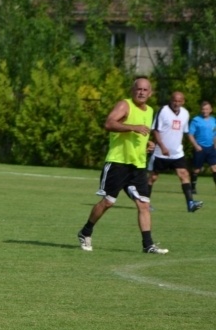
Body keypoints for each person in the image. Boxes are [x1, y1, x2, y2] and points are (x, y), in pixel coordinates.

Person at [77, 78, 169, 254]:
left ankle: (148, 245)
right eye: (138, 89)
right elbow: (109, 123)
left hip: (138, 164)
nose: (141, 92)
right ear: (132, 90)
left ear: (150, 93)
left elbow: (139, 134)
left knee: (144, 204)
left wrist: (148, 143)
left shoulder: (150, 111)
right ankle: (85, 231)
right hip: (118, 163)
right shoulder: (124, 105)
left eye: (145, 90)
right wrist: (133, 127)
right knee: (108, 202)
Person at [147, 91, 203, 212]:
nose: (176, 103)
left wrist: (193, 145)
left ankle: (190, 203)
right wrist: (162, 147)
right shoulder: (163, 111)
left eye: (179, 101)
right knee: (152, 177)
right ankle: (145, 203)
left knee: (184, 174)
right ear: (170, 100)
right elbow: (155, 130)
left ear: (183, 102)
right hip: (160, 152)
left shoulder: (185, 113)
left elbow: (185, 132)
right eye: (174, 101)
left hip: (177, 153)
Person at [187, 100, 216, 194]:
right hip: (200, 148)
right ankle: (192, 188)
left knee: (214, 168)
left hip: (211, 148)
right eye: (203, 109)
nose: (205, 111)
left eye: (207, 109)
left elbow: (214, 135)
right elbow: (190, 134)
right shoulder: (196, 120)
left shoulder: (214, 120)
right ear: (200, 110)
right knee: (197, 169)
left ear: (210, 110)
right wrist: (196, 146)